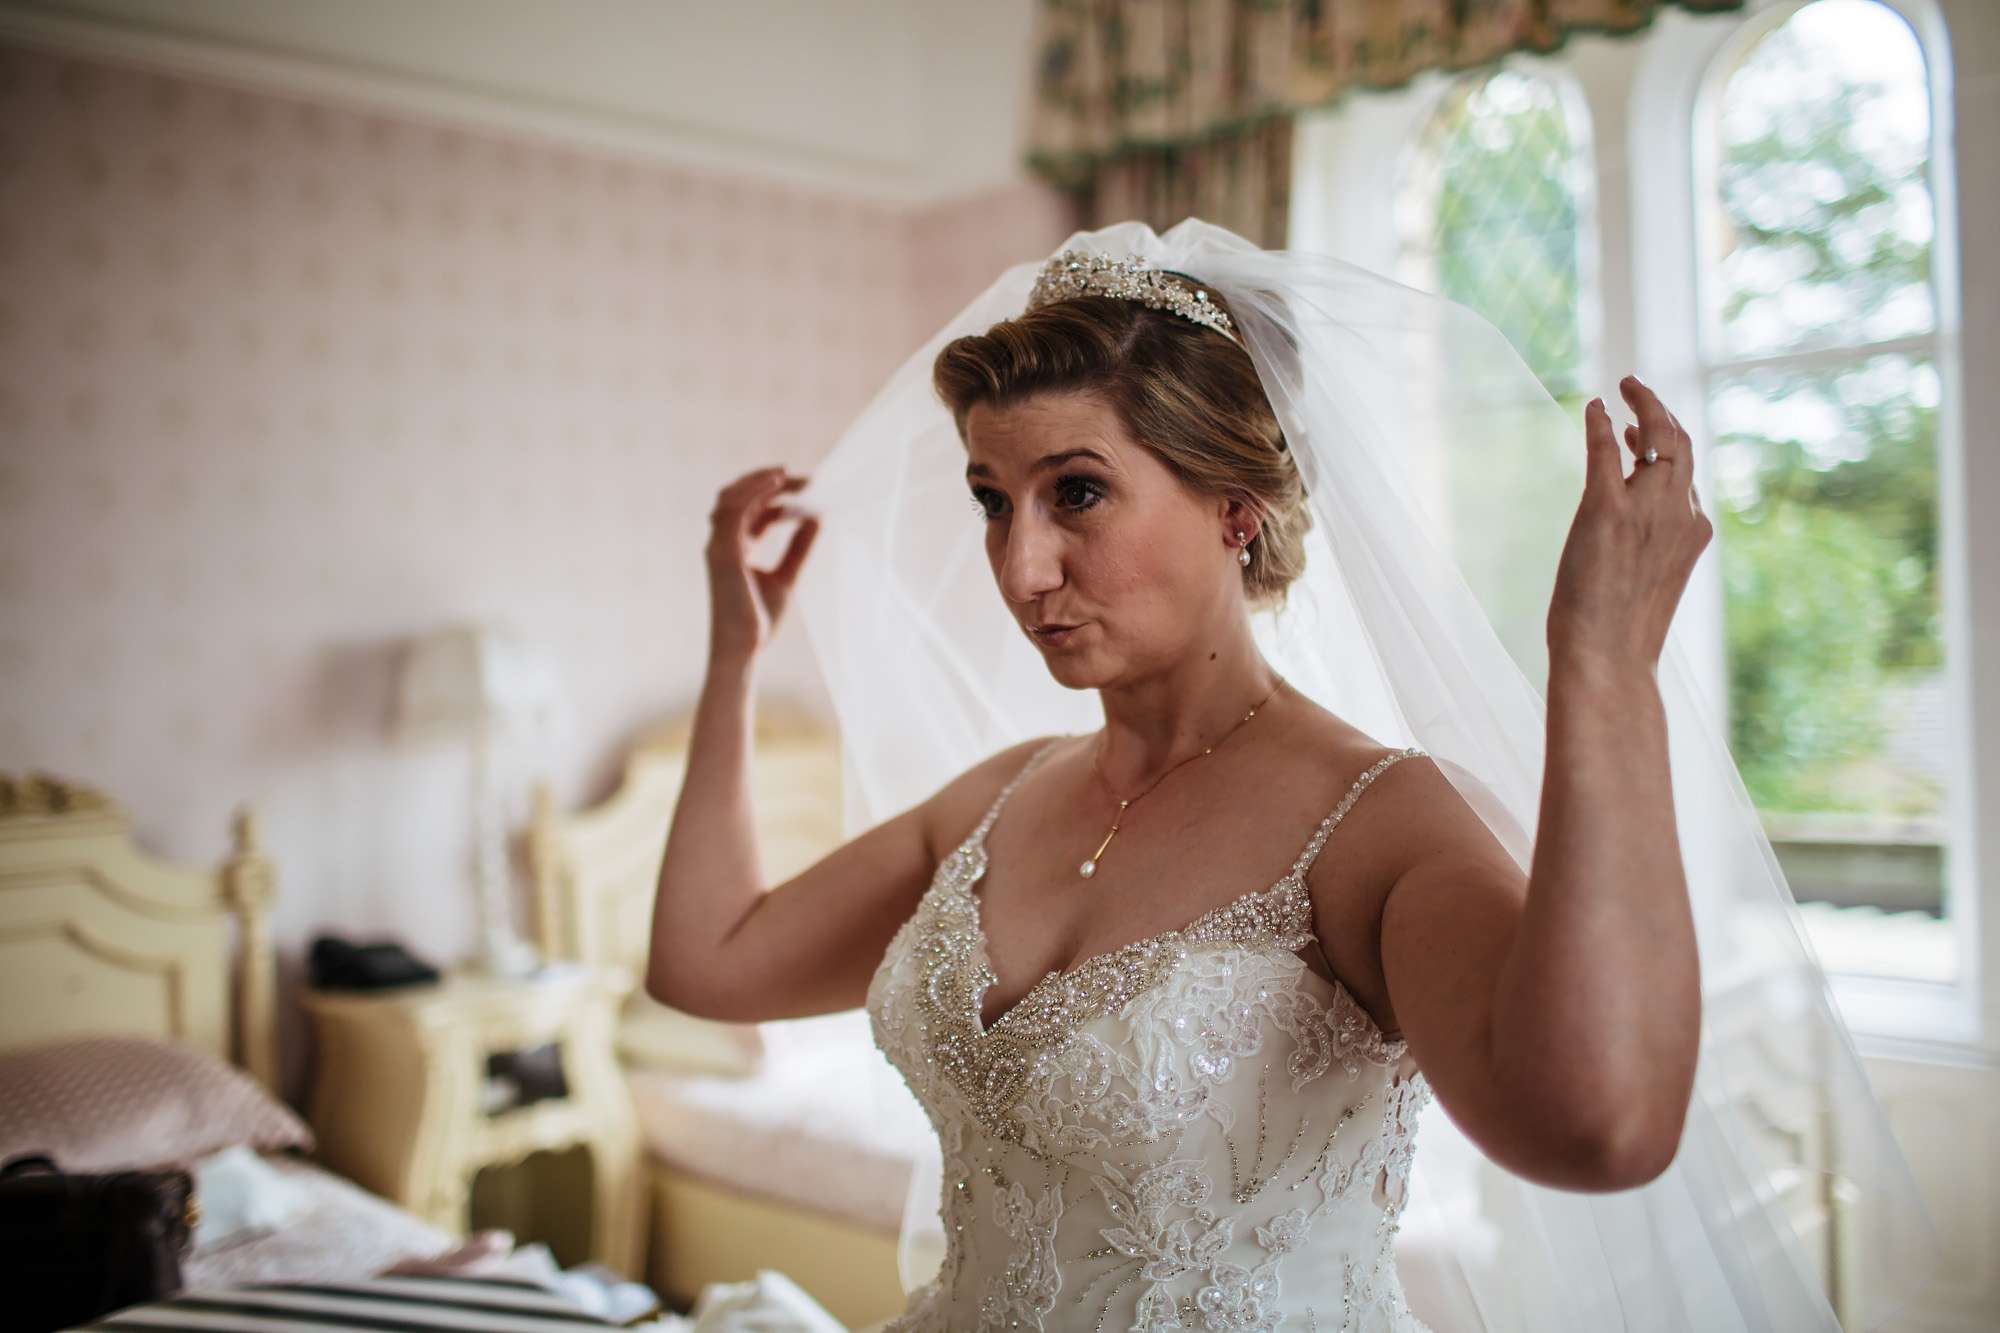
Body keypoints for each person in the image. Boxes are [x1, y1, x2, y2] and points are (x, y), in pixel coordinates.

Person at [649, 220, 1936, 1331]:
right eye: (992, 500)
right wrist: (732, 658)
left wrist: (1603, 669)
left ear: (1233, 507)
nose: (1020, 566)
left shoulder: (1377, 822)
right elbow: (707, 962)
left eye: (1075, 493)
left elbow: (1597, 1127)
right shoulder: (998, 796)